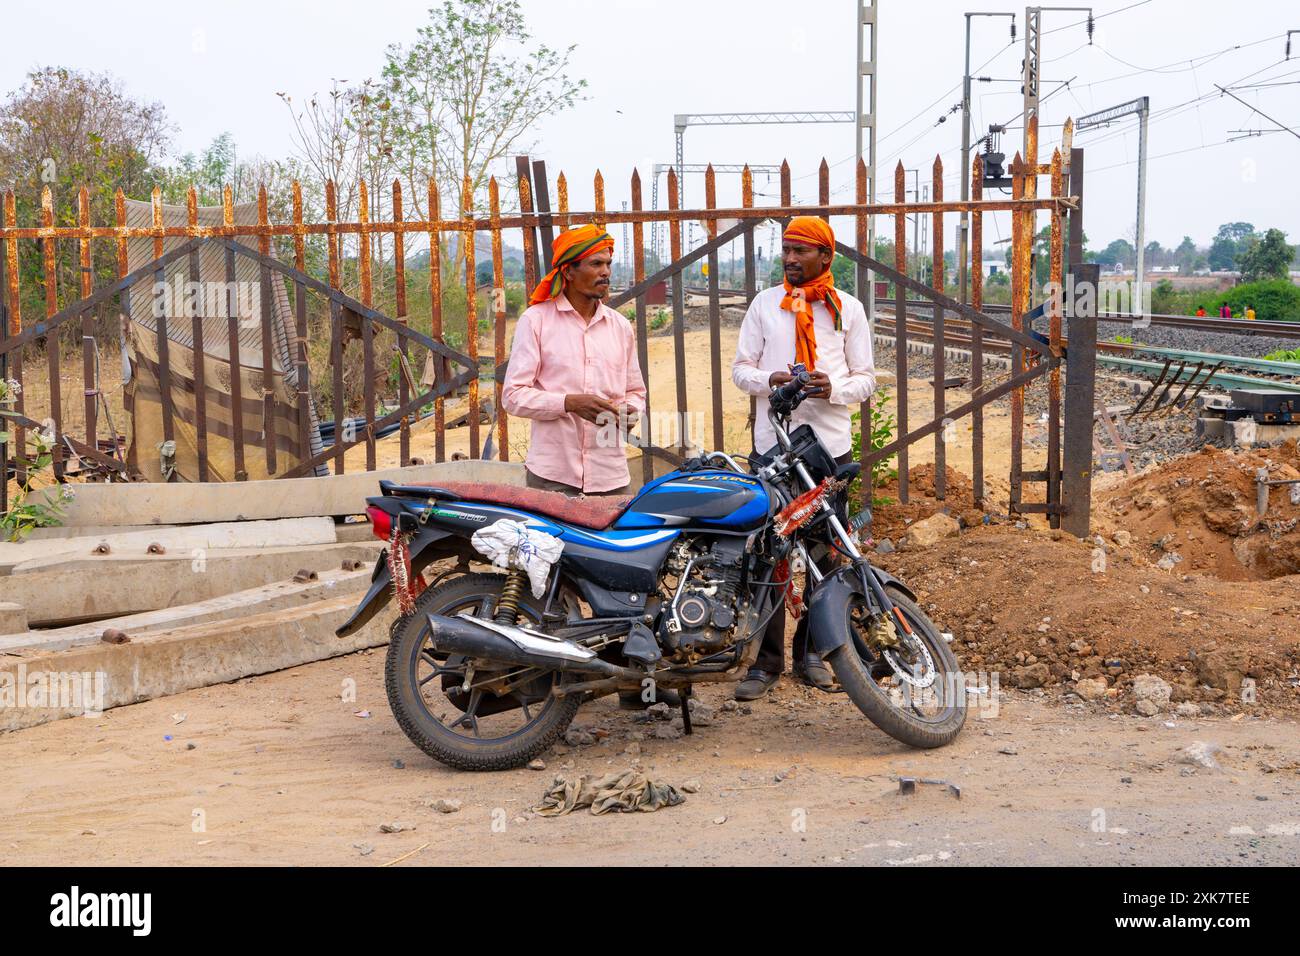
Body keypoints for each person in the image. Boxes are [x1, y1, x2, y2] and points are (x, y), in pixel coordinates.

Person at [730, 216, 877, 700]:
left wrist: (832, 388)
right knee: (770, 552)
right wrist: (772, 380)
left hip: (828, 448)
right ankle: (765, 663)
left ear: (826, 259)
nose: (790, 259)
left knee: (824, 553)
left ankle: (813, 653)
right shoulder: (764, 305)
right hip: (774, 448)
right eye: (787, 250)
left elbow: (866, 378)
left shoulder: (848, 310)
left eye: (800, 251)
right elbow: (740, 370)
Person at [502, 224, 646, 497]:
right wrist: (568, 403)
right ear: (568, 271)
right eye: (595, 264)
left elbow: (636, 391)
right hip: (551, 477)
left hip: (611, 476)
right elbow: (512, 396)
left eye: (608, 264)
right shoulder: (536, 321)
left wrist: (630, 411)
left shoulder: (620, 327)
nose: (605, 272)